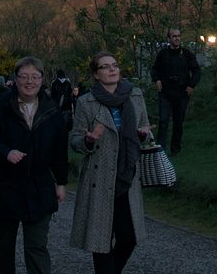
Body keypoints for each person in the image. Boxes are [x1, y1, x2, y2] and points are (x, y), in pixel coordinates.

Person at [0, 56, 68, 274]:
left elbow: (59, 151)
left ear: (42, 79)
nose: (29, 82)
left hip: (39, 187)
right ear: (15, 79)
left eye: (35, 76)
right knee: (2, 247)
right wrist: (5, 152)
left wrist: (61, 182)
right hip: (5, 185)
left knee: (37, 247)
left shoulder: (52, 111)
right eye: (24, 76)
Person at [70, 51, 153, 274]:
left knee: (129, 237)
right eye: (105, 66)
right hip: (99, 178)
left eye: (114, 65)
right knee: (101, 239)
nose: (112, 69)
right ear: (96, 75)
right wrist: (88, 140)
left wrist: (143, 135)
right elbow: (75, 139)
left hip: (127, 176)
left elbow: (145, 127)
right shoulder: (86, 102)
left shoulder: (134, 95)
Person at [151, 27, 201, 154]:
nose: (177, 38)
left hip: (181, 93)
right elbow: (155, 69)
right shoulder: (163, 54)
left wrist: (191, 85)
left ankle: (176, 149)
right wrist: (156, 80)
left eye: (178, 36)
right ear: (169, 38)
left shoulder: (186, 54)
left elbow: (196, 70)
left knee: (178, 122)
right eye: (174, 36)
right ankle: (160, 150)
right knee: (163, 121)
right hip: (165, 92)